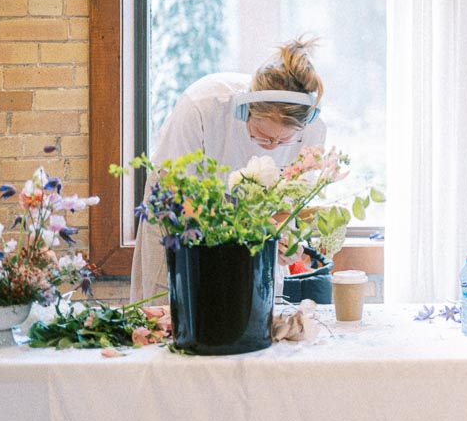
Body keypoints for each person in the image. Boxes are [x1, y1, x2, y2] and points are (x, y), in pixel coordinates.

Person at [129, 37, 328, 300]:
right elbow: (173, 188)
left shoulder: (313, 131)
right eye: (263, 136)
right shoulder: (203, 105)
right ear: (246, 111)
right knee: (172, 302)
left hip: (257, 212)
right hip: (183, 200)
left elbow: (284, 205)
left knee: (248, 301)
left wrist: (281, 241)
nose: (272, 146)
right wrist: (241, 223)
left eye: (283, 140)